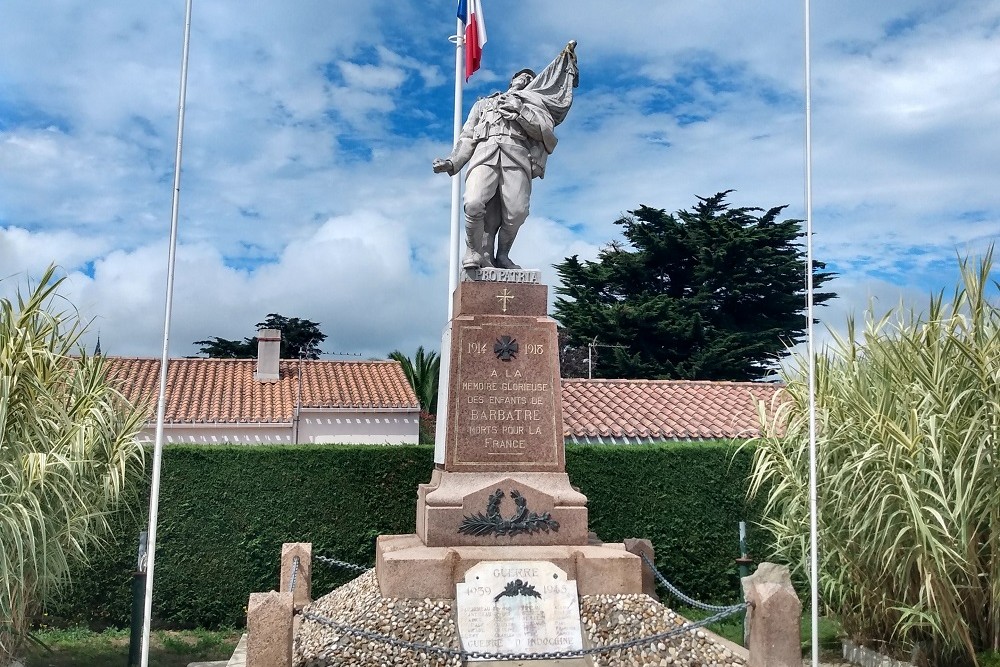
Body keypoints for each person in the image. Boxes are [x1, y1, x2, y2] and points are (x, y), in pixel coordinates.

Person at [433, 41, 578, 271]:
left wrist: (520, 111)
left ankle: (502, 255)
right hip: (484, 156)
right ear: (512, 80)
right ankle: (474, 251)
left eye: (530, 79)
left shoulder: (534, 105)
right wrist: (452, 162)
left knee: (517, 213)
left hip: (517, 159)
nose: (525, 79)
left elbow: (546, 133)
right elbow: (467, 137)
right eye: (521, 76)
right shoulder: (483, 104)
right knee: (473, 203)